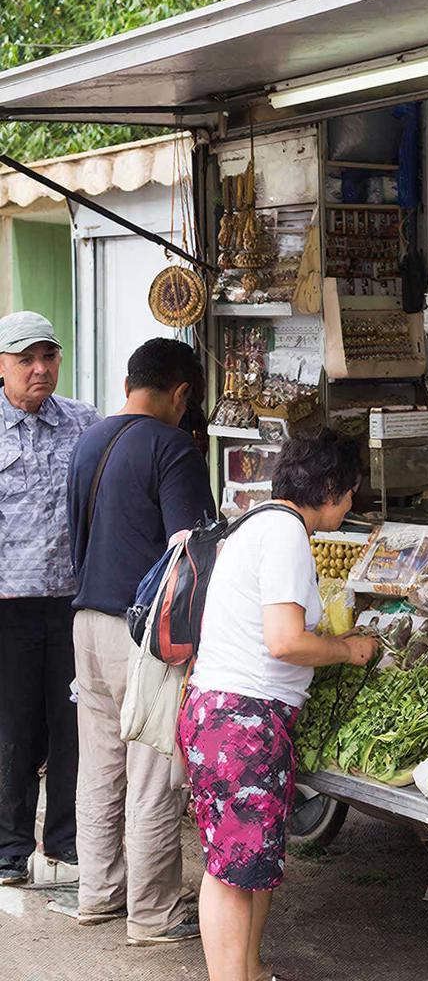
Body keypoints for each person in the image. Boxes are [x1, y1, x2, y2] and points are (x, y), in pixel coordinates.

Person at [178, 429, 377, 981]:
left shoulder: (260, 522)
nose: (351, 504)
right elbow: (285, 641)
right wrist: (348, 651)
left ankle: (250, 969)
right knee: (231, 873)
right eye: (350, 492)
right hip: (240, 723)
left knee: (249, 865)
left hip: (226, 716)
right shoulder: (287, 533)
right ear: (329, 488)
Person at [67, 338, 216, 944]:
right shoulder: (172, 447)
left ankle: (98, 893)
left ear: (130, 383)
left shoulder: (88, 440)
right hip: (145, 638)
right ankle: (153, 914)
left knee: (100, 768)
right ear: (181, 393)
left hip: (87, 624)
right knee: (154, 774)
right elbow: (191, 552)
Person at [0, 312, 99, 885]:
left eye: (48, 356)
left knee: (73, 722)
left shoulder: (85, 422)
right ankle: (9, 848)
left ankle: (65, 842)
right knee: (13, 727)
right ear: (3, 367)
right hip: (8, 604)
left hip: (72, 601)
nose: (40, 369)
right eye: (26, 359)